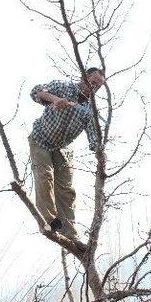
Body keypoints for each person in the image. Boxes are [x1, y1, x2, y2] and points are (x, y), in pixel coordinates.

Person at [29, 67, 105, 253]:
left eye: (98, 86)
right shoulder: (63, 87)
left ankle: (71, 235)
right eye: (93, 82)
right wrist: (55, 100)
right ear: (84, 77)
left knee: (67, 191)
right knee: (45, 176)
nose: (94, 88)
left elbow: (93, 136)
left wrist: (100, 154)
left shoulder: (89, 110)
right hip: (41, 139)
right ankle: (48, 220)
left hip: (62, 147)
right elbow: (36, 91)